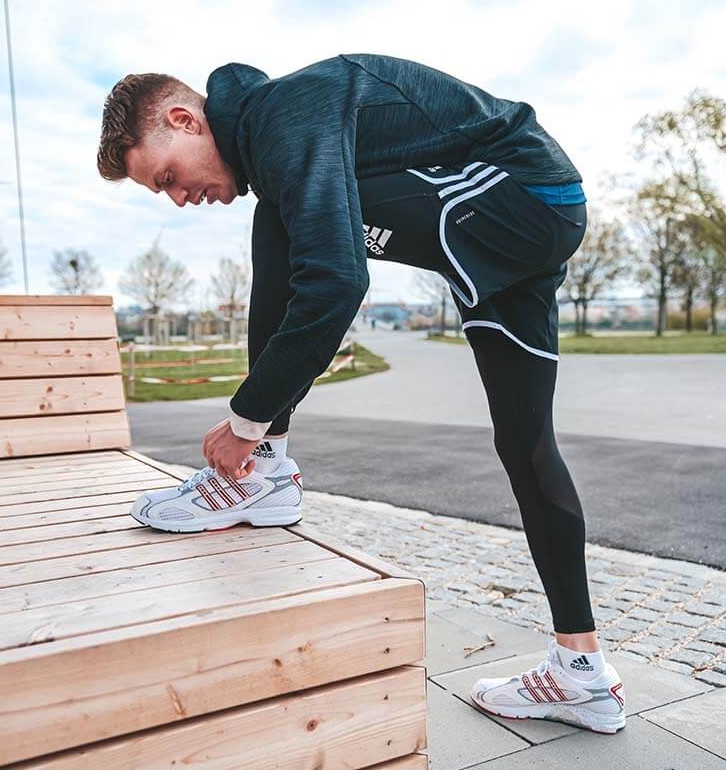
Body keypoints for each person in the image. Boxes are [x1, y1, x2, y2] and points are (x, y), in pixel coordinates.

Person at [96, 53, 626, 735]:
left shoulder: (284, 114)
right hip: (525, 223)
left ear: (183, 118)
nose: (178, 197)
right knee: (525, 443)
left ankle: (264, 467)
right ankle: (582, 673)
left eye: (167, 176)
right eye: (160, 193)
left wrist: (247, 420)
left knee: (287, 220)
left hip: (511, 190)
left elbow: (336, 281)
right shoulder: (286, 131)